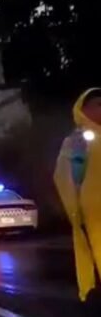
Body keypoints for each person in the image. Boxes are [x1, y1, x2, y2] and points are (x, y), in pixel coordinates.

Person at [54, 88, 101, 302]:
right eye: (97, 105)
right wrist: (75, 211)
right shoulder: (78, 141)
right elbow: (64, 177)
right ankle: (92, 291)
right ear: (84, 109)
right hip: (92, 215)